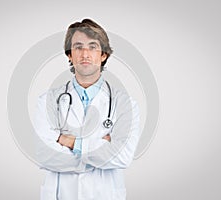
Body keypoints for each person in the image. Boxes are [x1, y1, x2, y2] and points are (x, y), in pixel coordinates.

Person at [33, 18, 141, 200]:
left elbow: (123, 156)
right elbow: (45, 155)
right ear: (69, 54)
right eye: (78, 47)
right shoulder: (48, 101)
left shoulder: (125, 104)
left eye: (92, 47)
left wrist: (71, 142)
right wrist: (102, 148)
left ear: (103, 55)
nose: (85, 54)